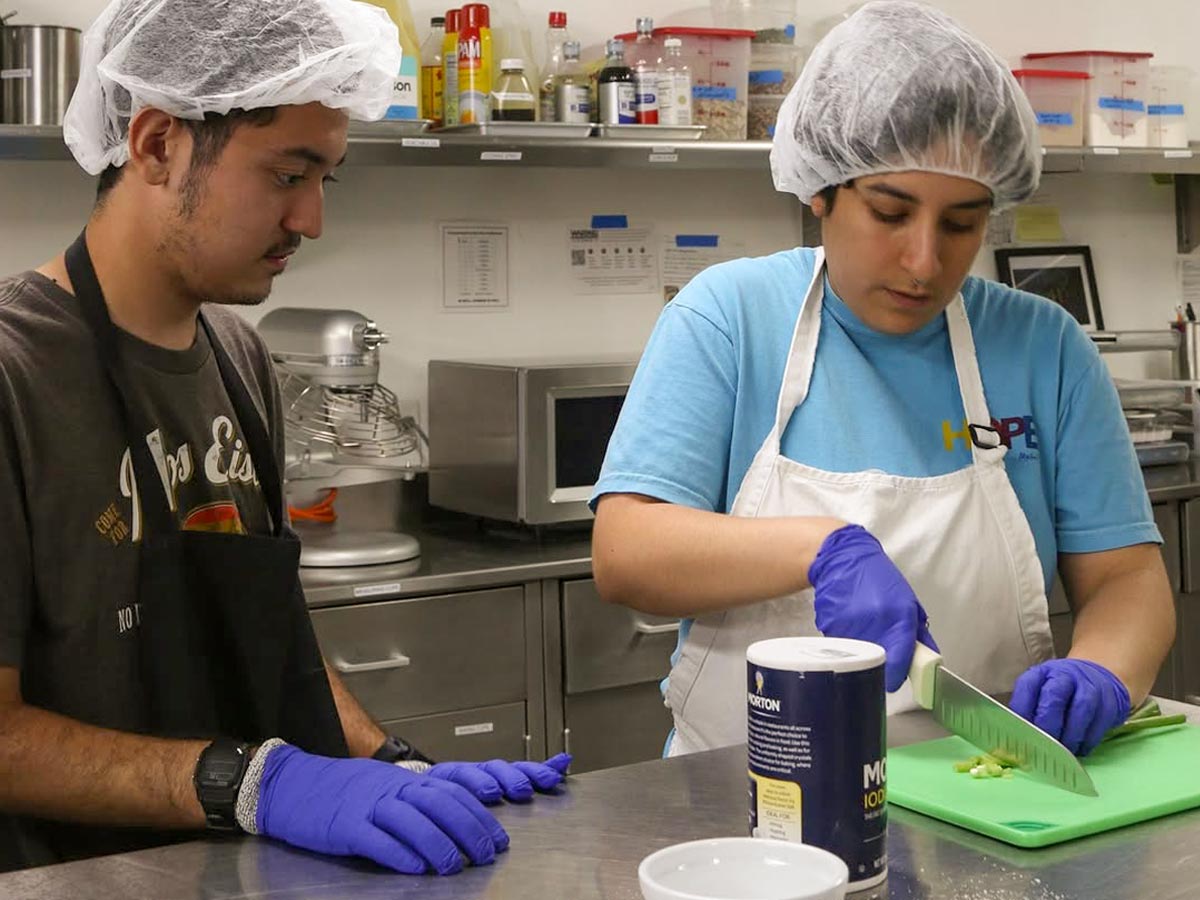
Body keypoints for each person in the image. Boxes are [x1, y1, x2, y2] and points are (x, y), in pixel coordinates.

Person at [0, 0, 568, 876]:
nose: (311, 221)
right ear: (155, 145)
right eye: (285, 175)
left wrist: (393, 764)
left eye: (325, 180)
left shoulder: (240, 359)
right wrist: (251, 782)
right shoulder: (14, 374)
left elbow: (272, 644)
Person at [591, 1, 1175, 761]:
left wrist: (1103, 670)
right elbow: (627, 552)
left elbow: (1127, 577)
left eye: (963, 224)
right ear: (821, 190)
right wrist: (823, 547)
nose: (925, 261)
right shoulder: (732, 317)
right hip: (745, 795)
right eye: (891, 213)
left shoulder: (1043, 347)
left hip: (986, 790)